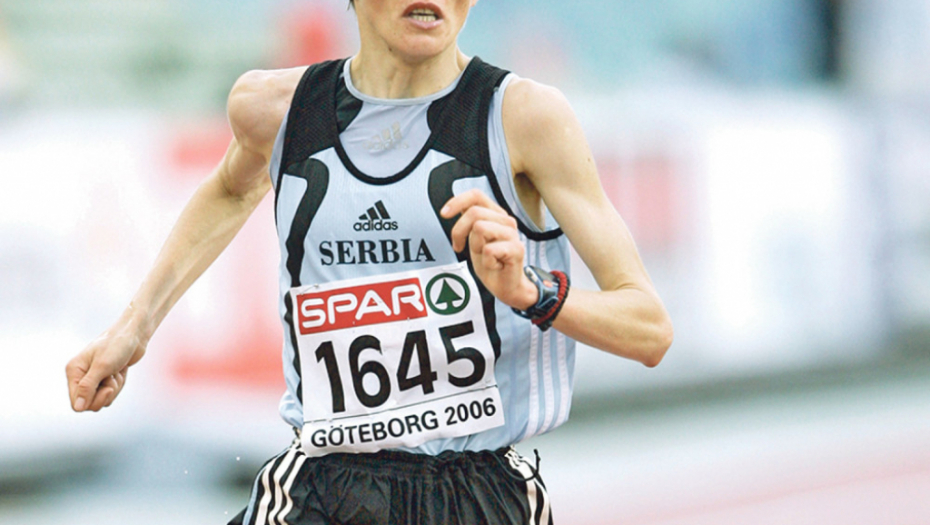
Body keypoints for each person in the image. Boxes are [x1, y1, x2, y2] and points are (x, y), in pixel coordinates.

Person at [66, 0, 674, 523]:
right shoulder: (275, 108)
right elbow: (230, 190)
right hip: (324, 483)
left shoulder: (523, 116)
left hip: (477, 493)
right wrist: (133, 329)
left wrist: (530, 290)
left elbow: (648, 328)